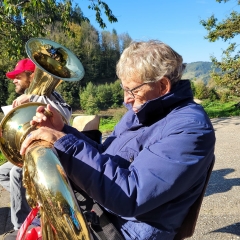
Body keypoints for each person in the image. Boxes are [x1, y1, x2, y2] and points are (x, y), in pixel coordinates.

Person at [19, 40, 215, 240]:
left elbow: (130, 196)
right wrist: (63, 131)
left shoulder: (190, 129)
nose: (126, 99)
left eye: (132, 90)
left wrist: (65, 145)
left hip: (124, 232)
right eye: (124, 89)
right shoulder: (141, 110)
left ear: (163, 85)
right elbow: (104, 155)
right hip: (102, 214)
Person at [0, 58, 72, 232]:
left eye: (18, 76)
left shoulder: (48, 94)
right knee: (2, 172)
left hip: (53, 151)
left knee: (17, 172)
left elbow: (65, 114)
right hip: (35, 149)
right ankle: (38, 201)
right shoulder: (27, 98)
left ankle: (20, 228)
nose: (14, 80)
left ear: (31, 76)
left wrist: (32, 97)